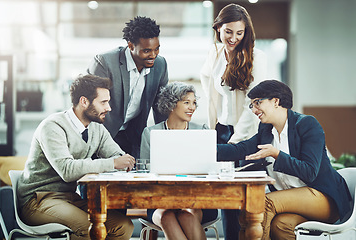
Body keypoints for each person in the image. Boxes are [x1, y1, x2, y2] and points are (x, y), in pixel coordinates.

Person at [217, 80, 352, 240]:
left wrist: (276, 154)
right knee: (281, 225)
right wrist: (203, 149)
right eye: (251, 105)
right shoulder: (266, 131)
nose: (254, 109)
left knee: (263, 203)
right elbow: (239, 149)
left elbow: (309, 172)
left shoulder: (307, 124)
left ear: (275, 101)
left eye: (257, 102)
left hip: (323, 198)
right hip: (292, 200)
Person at [17, 74, 135, 240]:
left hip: (70, 198)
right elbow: (67, 170)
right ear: (84, 101)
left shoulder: (96, 128)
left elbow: (116, 154)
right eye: (103, 102)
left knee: (123, 226)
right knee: (89, 229)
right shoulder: (53, 126)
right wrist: (114, 163)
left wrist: (124, 160)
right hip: (38, 200)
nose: (109, 108)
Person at [200, 3, 267, 238]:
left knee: (245, 198)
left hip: (246, 135)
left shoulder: (257, 57)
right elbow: (207, 77)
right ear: (218, 27)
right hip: (221, 130)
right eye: (228, 31)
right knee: (225, 196)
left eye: (240, 33)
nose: (234, 38)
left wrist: (235, 141)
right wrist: (215, 120)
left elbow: (254, 106)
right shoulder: (215, 52)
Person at [140, 82, 218, 240]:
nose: (192, 107)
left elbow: (210, 171)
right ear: (170, 104)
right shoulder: (150, 133)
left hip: (197, 199)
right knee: (166, 216)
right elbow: (145, 172)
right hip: (160, 200)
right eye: (186, 102)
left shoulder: (201, 131)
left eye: (194, 103)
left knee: (187, 215)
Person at [87, 16, 168, 158]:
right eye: (146, 51)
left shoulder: (160, 65)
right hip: (104, 131)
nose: (153, 55)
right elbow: (90, 105)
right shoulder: (105, 63)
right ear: (130, 46)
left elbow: (161, 107)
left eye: (157, 49)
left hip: (133, 133)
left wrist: (165, 140)